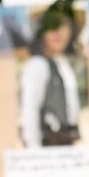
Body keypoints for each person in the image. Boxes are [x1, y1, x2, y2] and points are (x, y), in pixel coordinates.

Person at [18, 13, 82, 147]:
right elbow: (30, 114)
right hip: (48, 148)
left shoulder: (65, 65)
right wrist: (34, 152)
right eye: (51, 26)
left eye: (63, 26)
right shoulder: (37, 65)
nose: (57, 32)